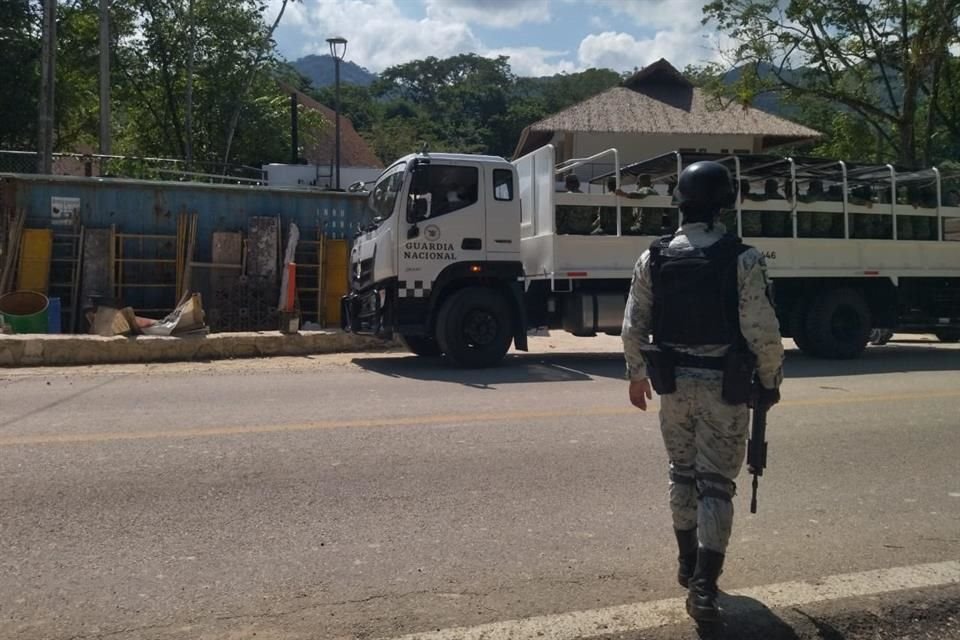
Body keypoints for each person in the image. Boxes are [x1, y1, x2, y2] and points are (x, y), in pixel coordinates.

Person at [621, 161, 784, 623]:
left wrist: (636, 375)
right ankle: (704, 588)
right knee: (715, 485)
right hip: (724, 389)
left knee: (681, 474)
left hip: (673, 387)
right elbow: (763, 333)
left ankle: (686, 564)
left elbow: (634, 325)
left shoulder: (653, 257)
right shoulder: (744, 259)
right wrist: (771, 381)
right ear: (723, 204)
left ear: (682, 204)